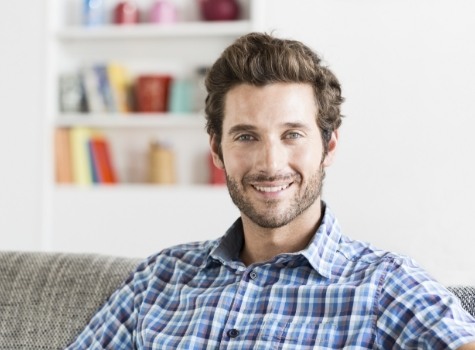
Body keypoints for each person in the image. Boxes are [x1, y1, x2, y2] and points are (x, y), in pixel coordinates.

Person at [66, 32, 475, 349]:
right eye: (246, 136)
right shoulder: (159, 278)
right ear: (216, 149)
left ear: (328, 145)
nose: (271, 164)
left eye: (292, 134)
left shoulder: (385, 285)